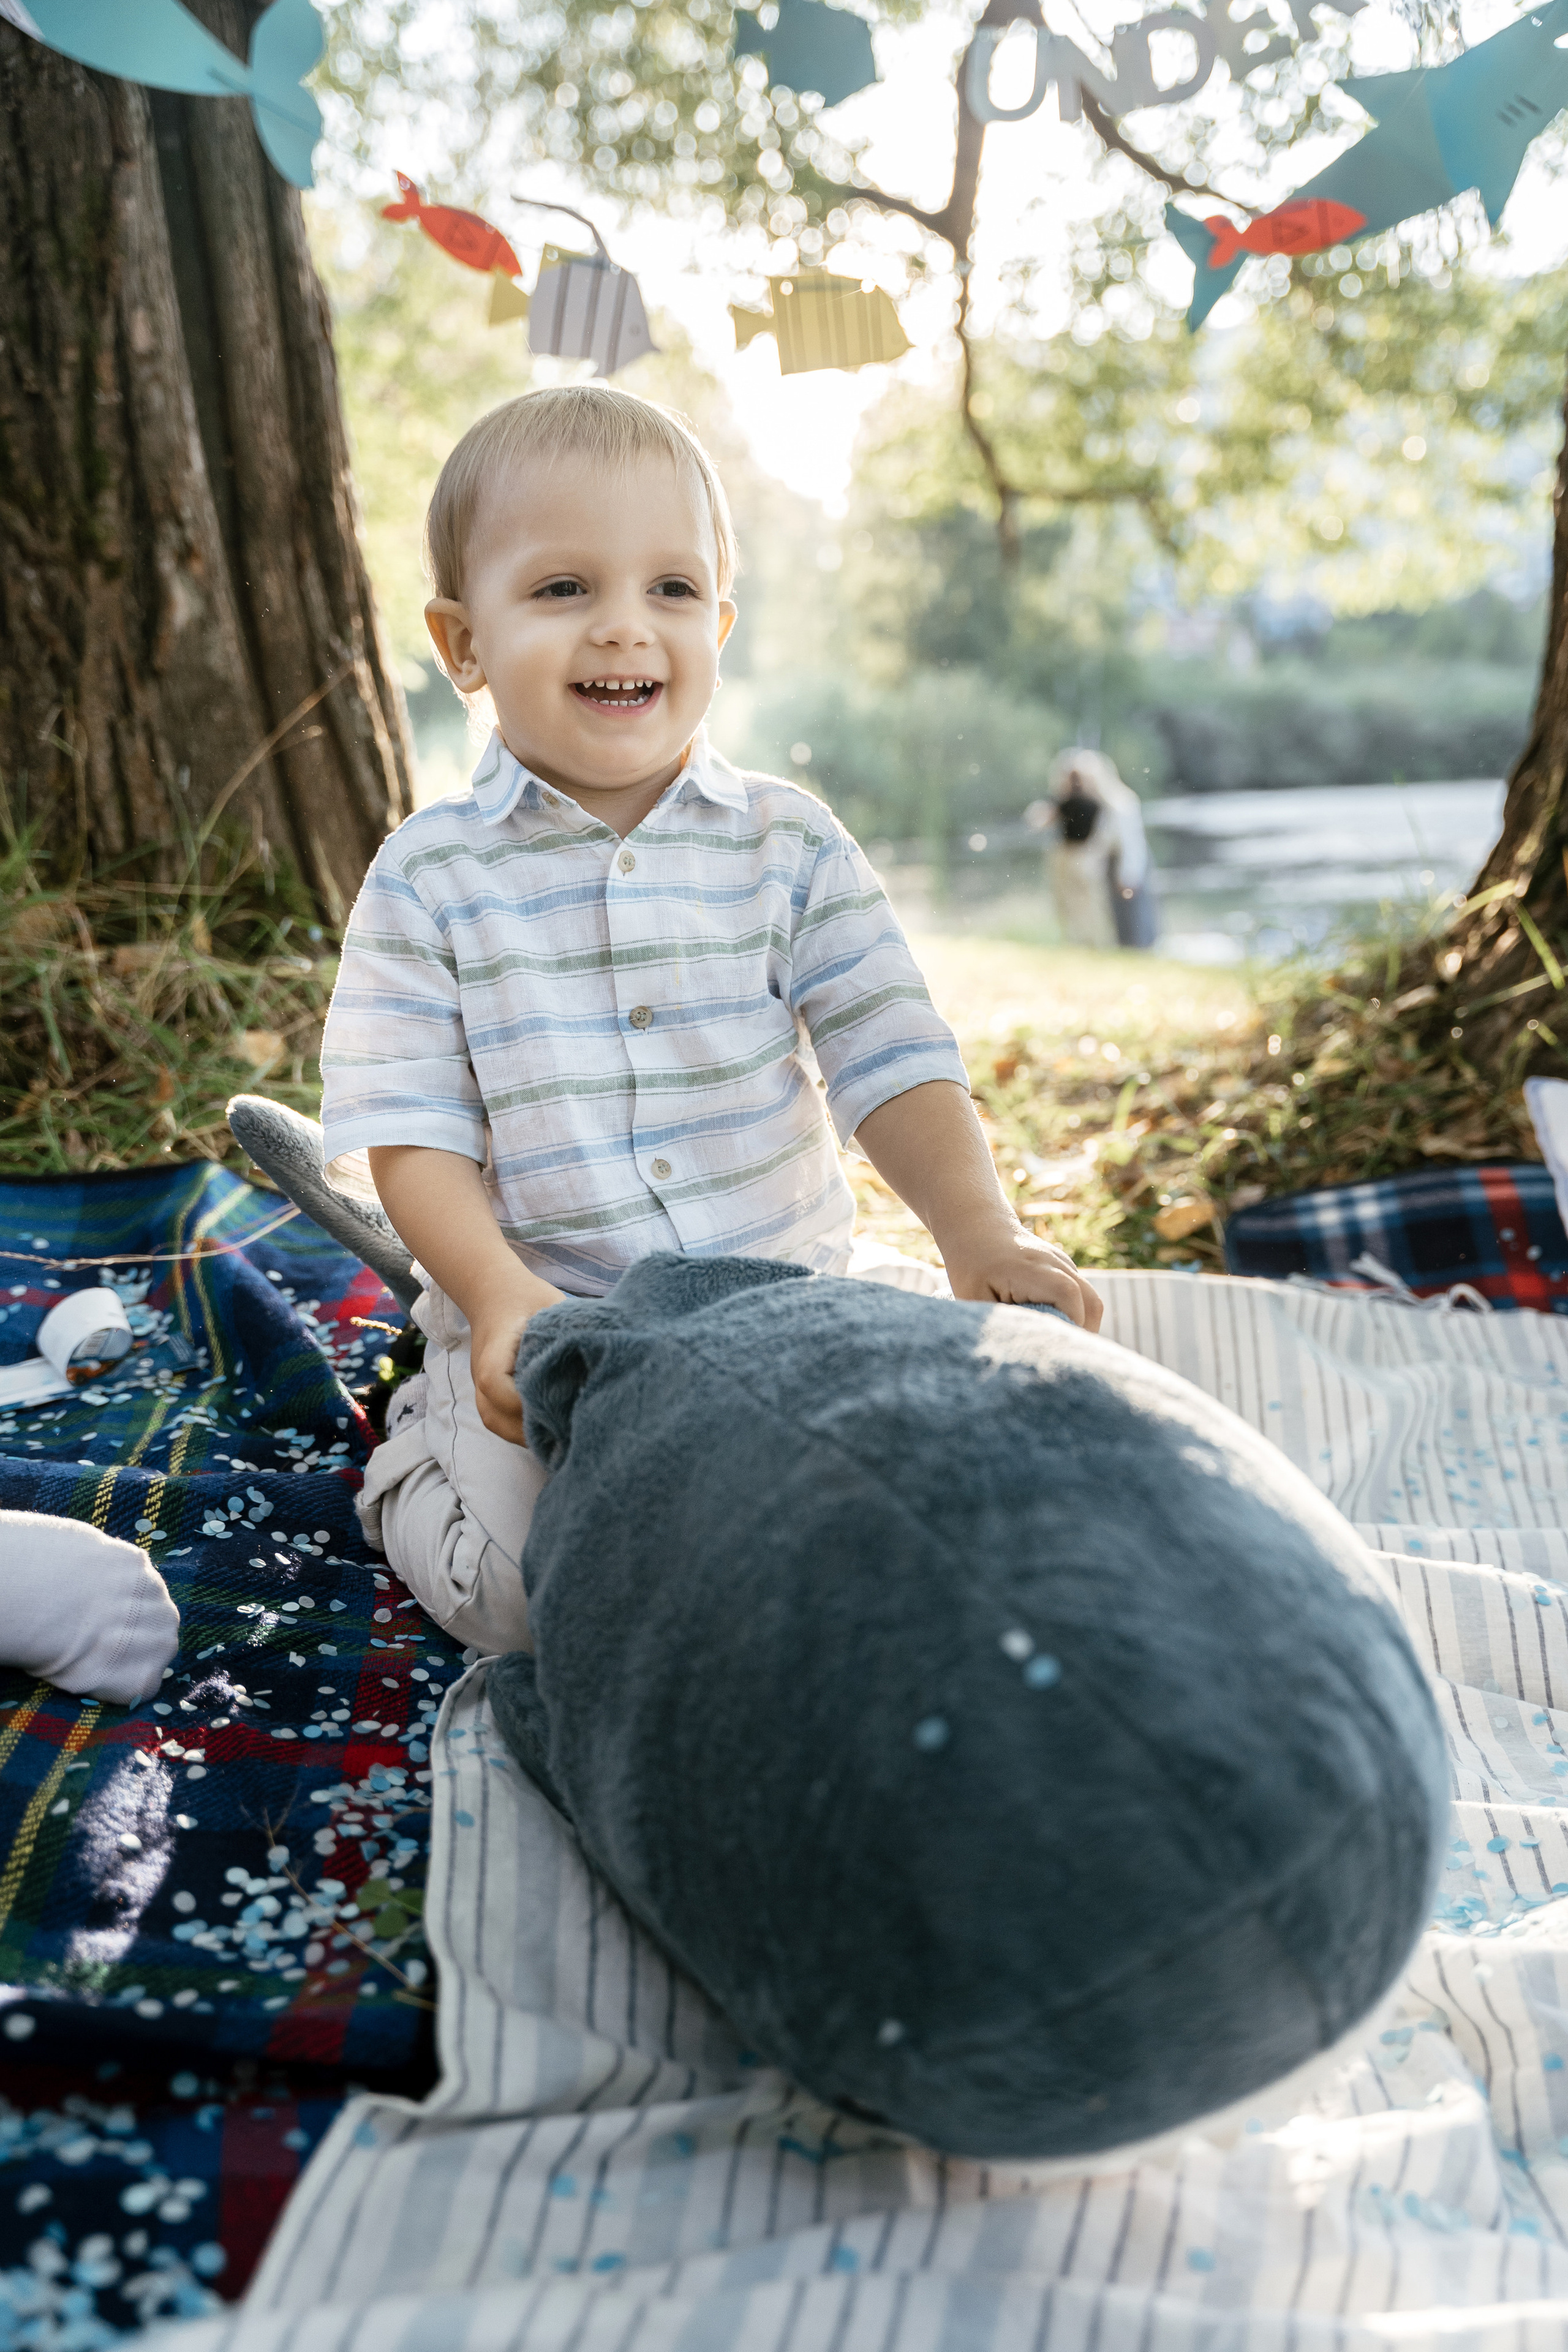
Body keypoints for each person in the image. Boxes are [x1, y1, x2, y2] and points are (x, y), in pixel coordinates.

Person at [320, 385, 1101, 1654]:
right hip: (552, 1325)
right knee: (537, 1602)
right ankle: (419, 1460)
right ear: (463, 644)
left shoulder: (784, 843)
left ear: (720, 623)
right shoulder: (429, 876)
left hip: (777, 1305)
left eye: (670, 589)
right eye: (563, 588)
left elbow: (886, 1055)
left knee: (912, 1520)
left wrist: (978, 1229)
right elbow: (413, 1134)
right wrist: (499, 1295)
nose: (624, 625)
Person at [1025, 748, 1159, 951]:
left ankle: (1136, 950)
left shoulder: (1118, 803)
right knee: (1104, 914)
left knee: (1132, 918)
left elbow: (1130, 843)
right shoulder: (1075, 801)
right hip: (1101, 865)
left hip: (1121, 864)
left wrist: (1128, 875)